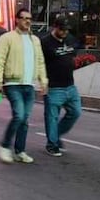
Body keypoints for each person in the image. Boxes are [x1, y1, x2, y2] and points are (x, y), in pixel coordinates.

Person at [0, 9, 48, 164]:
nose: (27, 21)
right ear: (16, 20)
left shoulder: (35, 40)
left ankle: (20, 151)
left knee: (25, 120)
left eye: (29, 18)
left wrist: (43, 81)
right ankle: (4, 145)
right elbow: (0, 60)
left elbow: (40, 61)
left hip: (29, 85)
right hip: (13, 84)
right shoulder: (6, 38)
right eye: (23, 18)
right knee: (19, 116)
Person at [40, 15, 81, 157]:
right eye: (62, 29)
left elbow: (73, 54)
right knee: (52, 117)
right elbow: (39, 63)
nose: (64, 33)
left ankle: (55, 135)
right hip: (53, 87)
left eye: (67, 30)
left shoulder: (70, 39)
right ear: (55, 27)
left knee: (76, 112)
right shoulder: (45, 43)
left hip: (70, 85)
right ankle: (52, 144)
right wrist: (42, 82)